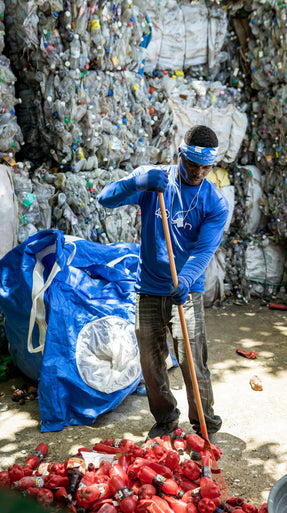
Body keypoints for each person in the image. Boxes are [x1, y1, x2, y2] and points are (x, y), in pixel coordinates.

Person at [98, 125, 229, 443]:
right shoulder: (154, 181)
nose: (197, 172)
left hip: (187, 290)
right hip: (148, 287)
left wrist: (185, 278)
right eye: (191, 164)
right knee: (151, 360)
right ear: (180, 154)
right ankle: (166, 420)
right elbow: (105, 200)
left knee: (191, 361)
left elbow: (203, 251)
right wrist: (134, 181)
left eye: (204, 167)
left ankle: (205, 425)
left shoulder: (215, 203)